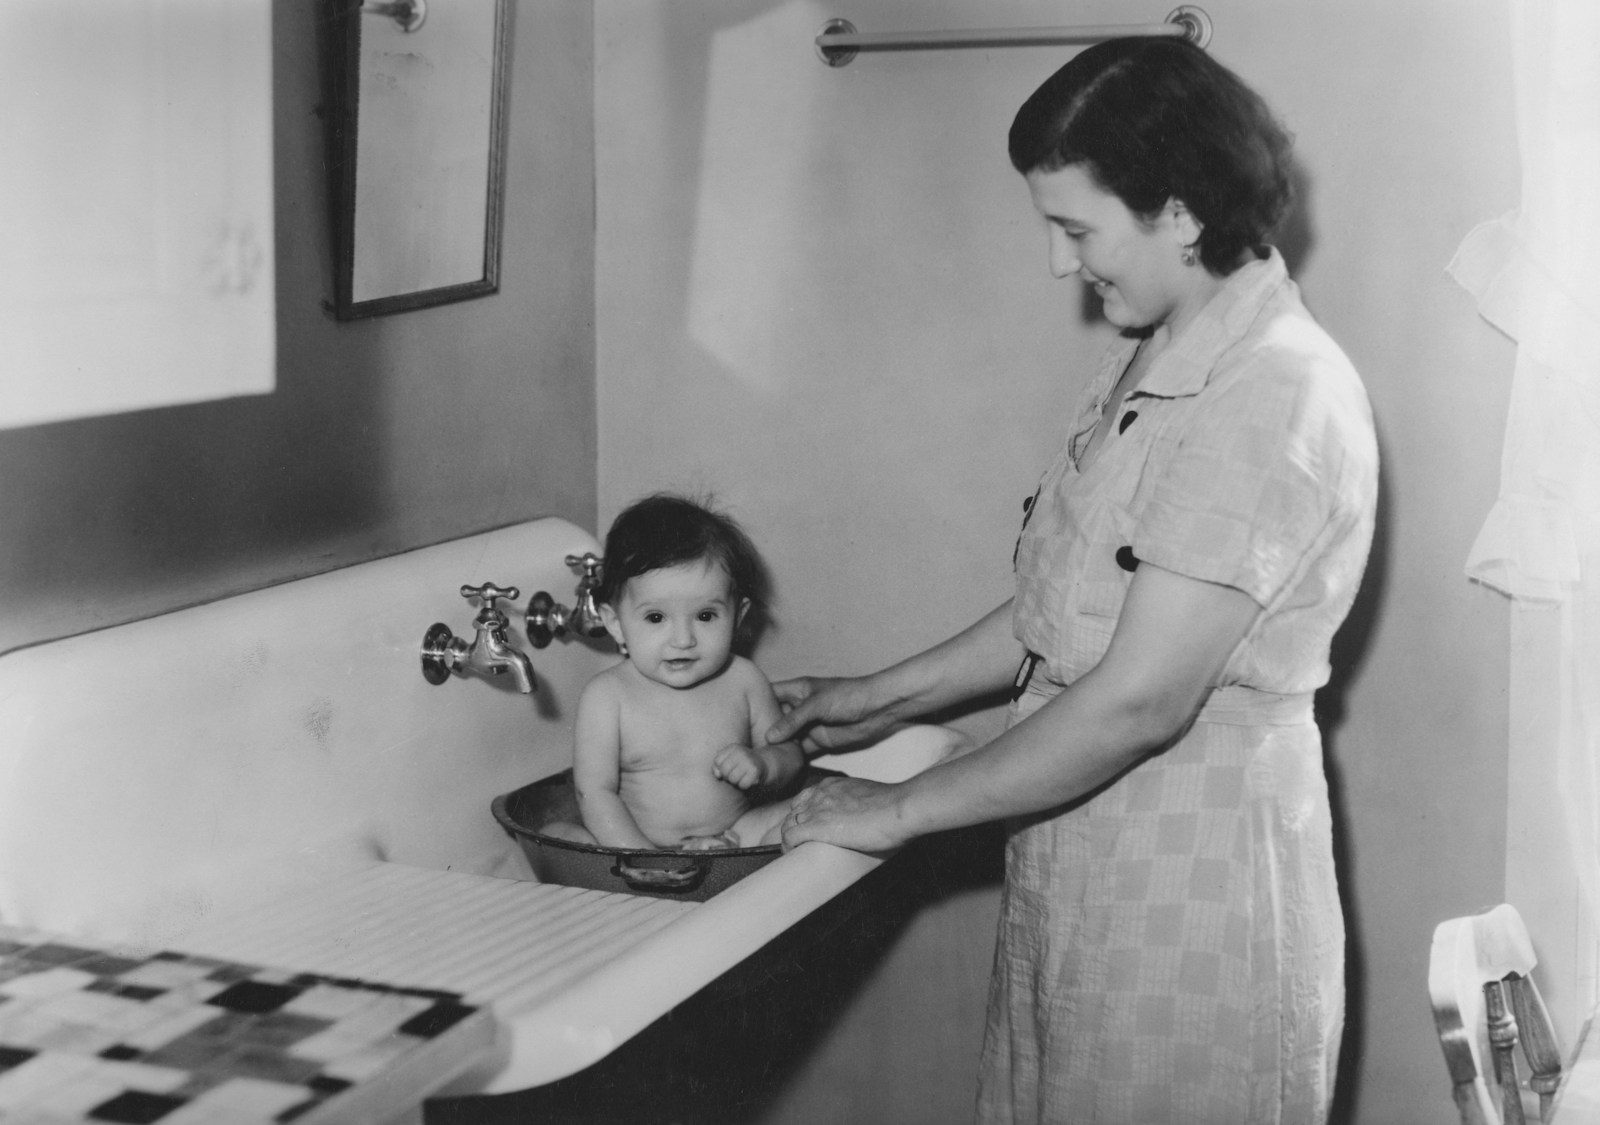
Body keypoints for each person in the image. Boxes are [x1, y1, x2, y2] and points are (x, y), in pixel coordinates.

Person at [767, 37, 1378, 1124]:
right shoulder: (1159, 352)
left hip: (1191, 894)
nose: (1060, 265)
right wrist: (864, 702)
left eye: (1075, 229)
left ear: (1180, 213)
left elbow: (1138, 697)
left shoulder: (1272, 393)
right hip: (1087, 864)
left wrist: (893, 808)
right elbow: (1073, 611)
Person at [550, 493, 805, 852]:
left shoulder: (743, 680)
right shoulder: (608, 695)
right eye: (656, 618)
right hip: (634, 846)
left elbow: (792, 756)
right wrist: (644, 859)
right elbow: (594, 793)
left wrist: (763, 763)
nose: (683, 640)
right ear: (616, 623)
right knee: (560, 834)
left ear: (738, 616)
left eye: (705, 616)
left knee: (815, 804)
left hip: (734, 836)